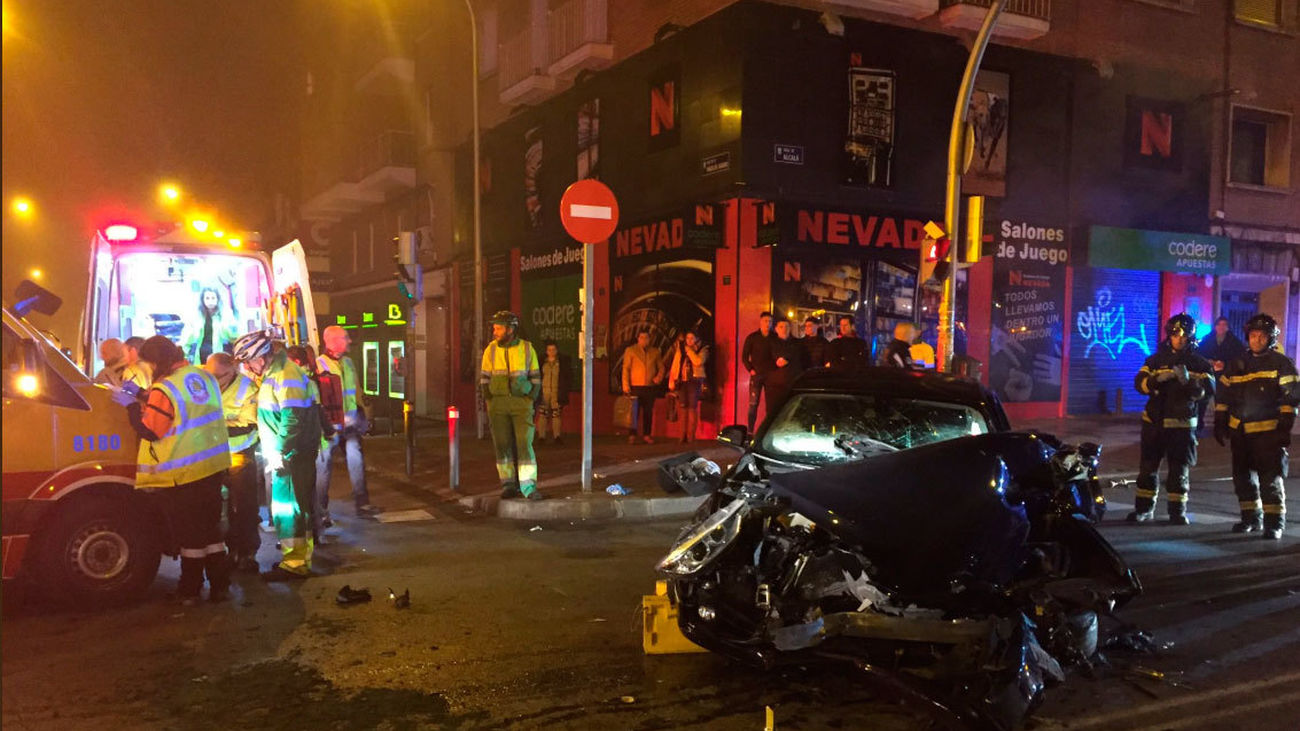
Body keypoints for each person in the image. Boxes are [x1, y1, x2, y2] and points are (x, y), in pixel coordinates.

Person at [113, 335, 231, 604]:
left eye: (149, 362)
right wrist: (145, 396)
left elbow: (151, 430)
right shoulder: (203, 376)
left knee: (190, 538)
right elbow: (186, 408)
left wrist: (132, 406)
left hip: (184, 474)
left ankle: (189, 591)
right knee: (212, 533)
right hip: (213, 467)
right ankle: (220, 587)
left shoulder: (165, 388)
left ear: (157, 361)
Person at [234, 330, 321, 580]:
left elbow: (292, 418)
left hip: (290, 455)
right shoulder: (278, 372)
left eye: (249, 361)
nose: (249, 367)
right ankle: (298, 558)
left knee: (288, 508)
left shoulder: (284, 374)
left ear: (260, 357)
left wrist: (280, 452)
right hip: (291, 453)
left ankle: (294, 564)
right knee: (296, 507)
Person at [1214, 313, 1298, 540]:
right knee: (1243, 479)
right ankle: (1250, 518)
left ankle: (1274, 524)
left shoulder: (1281, 363)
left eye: (1262, 336)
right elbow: (1223, 393)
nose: (1257, 340)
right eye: (1253, 335)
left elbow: (1291, 398)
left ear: (1271, 339)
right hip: (1240, 433)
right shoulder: (1237, 364)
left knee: (1270, 481)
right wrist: (1220, 420)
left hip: (1267, 434)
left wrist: (1284, 427)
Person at [1129, 314, 1214, 525]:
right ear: (1170, 335)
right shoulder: (1155, 360)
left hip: (1182, 426)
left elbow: (1207, 391)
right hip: (1154, 424)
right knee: (1147, 468)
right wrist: (1155, 380)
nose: (1180, 339)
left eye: (1184, 335)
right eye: (1176, 334)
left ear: (1191, 337)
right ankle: (1143, 509)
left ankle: (1177, 512)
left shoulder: (1200, 364)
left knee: (1179, 471)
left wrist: (1188, 382)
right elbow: (1139, 384)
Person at [315, 326, 380, 522]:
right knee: (323, 469)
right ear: (332, 341)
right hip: (329, 429)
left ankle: (363, 503)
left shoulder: (349, 363)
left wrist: (363, 415)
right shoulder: (319, 365)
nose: (350, 341)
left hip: (351, 426)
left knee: (357, 463)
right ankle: (321, 512)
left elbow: (356, 392)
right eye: (346, 337)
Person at [205, 353, 261, 573]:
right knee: (221, 509)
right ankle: (232, 551)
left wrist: (214, 425)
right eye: (211, 376)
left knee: (245, 507)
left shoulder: (247, 388)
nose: (215, 381)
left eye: (219, 376)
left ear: (233, 370)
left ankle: (247, 554)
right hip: (214, 457)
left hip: (240, 455)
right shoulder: (206, 383)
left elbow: (247, 424)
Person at [481, 311, 544, 500]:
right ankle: (508, 485)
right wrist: (490, 400)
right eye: (495, 328)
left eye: (498, 328)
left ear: (510, 329)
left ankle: (528, 487)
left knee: (525, 445)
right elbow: (484, 378)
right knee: (502, 446)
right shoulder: (490, 350)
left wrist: (530, 397)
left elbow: (536, 377)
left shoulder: (527, 348)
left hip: (521, 403)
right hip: (498, 404)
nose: (495, 332)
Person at [1197, 317, 1248, 432]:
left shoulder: (1234, 342)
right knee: (1203, 398)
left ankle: (1222, 426)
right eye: (1219, 324)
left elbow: (1240, 357)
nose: (1221, 327)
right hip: (1208, 373)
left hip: (1225, 375)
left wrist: (1225, 364)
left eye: (1224, 324)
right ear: (1215, 326)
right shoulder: (1207, 339)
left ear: (1228, 327)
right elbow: (1198, 355)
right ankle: (1199, 424)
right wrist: (1209, 362)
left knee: (1223, 400)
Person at [622, 330, 665, 444]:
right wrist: (625, 385)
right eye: (641, 337)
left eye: (646, 338)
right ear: (638, 338)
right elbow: (626, 368)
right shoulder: (631, 350)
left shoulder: (655, 352)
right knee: (633, 413)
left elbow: (661, 367)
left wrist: (658, 378)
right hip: (635, 386)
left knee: (648, 412)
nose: (644, 340)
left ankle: (647, 434)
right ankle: (632, 435)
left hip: (649, 386)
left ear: (649, 339)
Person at [668, 331, 711, 443]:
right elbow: (675, 364)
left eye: (692, 338)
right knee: (683, 408)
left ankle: (691, 435)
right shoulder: (680, 350)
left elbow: (698, 361)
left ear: (696, 339)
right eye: (687, 338)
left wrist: (689, 350)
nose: (689, 340)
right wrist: (672, 380)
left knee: (692, 407)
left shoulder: (703, 349)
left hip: (695, 381)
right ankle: (682, 435)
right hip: (682, 381)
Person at [182, 287, 240, 365]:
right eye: (207, 298)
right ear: (203, 300)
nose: (210, 301)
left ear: (217, 299)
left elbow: (233, 336)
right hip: (201, 355)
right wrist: (183, 356)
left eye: (213, 298)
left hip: (220, 354)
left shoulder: (225, 313)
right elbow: (187, 337)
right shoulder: (197, 316)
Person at [741, 312, 775, 432]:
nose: (767, 323)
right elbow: (744, 356)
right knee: (753, 405)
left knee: (770, 406)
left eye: (770, 321)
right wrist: (750, 369)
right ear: (760, 322)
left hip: (771, 376)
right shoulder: (753, 337)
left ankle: (768, 431)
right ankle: (750, 431)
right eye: (765, 321)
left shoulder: (774, 337)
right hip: (756, 375)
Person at [765, 318, 804, 415]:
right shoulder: (770, 343)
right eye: (781, 327)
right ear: (776, 329)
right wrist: (775, 363)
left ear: (790, 328)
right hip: (774, 386)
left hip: (793, 384)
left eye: (786, 326)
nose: (784, 329)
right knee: (774, 413)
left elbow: (802, 361)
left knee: (792, 412)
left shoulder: (797, 343)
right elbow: (764, 361)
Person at [537, 340, 571, 445]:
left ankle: (557, 436)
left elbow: (567, 376)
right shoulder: (542, 362)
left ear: (556, 351)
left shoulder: (561, 362)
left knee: (556, 414)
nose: (551, 352)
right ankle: (541, 436)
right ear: (546, 351)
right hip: (544, 390)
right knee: (542, 414)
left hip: (557, 391)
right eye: (549, 350)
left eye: (553, 350)